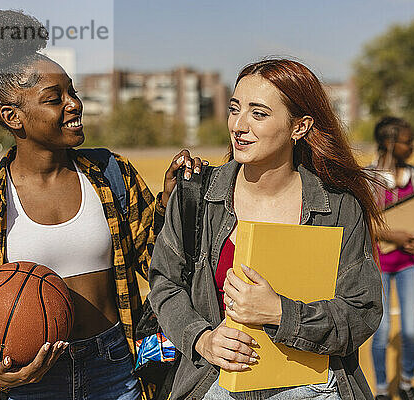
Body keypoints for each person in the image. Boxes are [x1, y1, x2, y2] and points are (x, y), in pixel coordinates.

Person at [0, 10, 204, 400]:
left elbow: (159, 263)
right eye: (55, 98)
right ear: (13, 117)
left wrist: (172, 202)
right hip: (32, 382)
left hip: (115, 365)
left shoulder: (111, 173)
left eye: (72, 92)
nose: (74, 104)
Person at [148, 58, 384, 400]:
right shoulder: (196, 195)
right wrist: (203, 340)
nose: (239, 125)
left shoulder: (338, 207)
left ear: (299, 127)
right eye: (234, 109)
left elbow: (362, 311)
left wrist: (279, 312)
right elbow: (165, 284)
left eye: (258, 113)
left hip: (314, 388)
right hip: (214, 386)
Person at [368, 117, 414, 400]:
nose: (413, 145)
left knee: (413, 331)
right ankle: (381, 389)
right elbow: (364, 224)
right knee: (381, 333)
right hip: (377, 266)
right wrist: (398, 236)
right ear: (389, 143)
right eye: (407, 140)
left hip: (408, 265)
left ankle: (406, 382)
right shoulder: (368, 177)